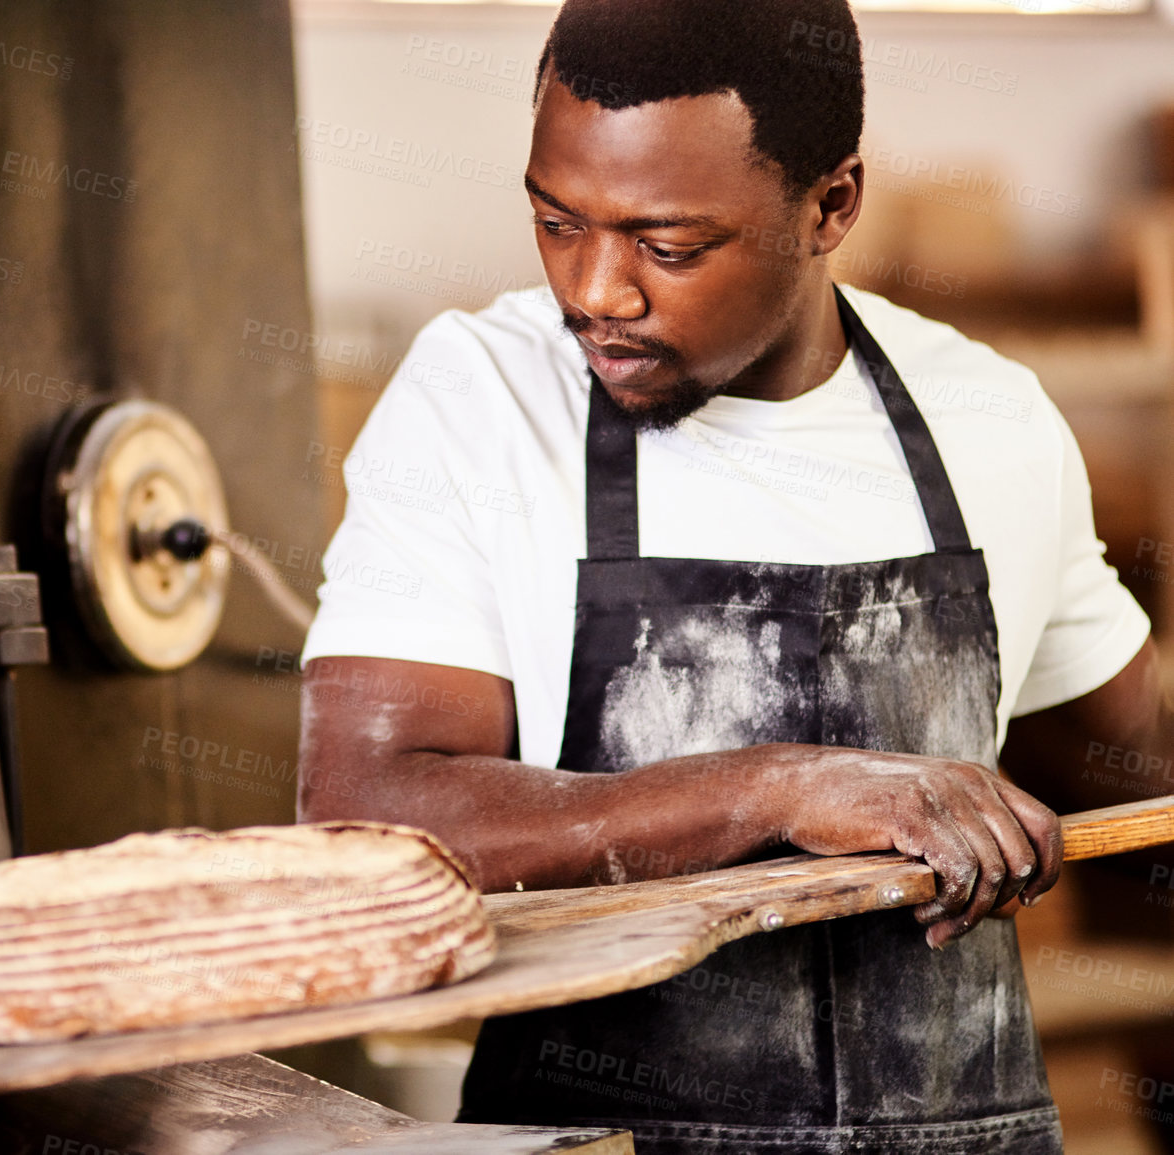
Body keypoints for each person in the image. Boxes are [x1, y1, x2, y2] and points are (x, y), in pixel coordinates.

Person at [295, 1, 1168, 1151]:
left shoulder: (989, 415)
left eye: (669, 247)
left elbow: (1130, 758)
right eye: (558, 221)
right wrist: (782, 789)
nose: (597, 290)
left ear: (830, 206)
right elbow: (364, 806)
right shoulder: (480, 402)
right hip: (610, 1136)